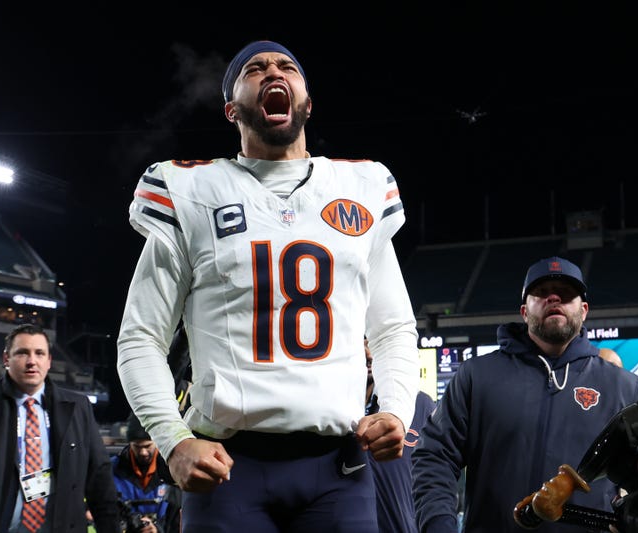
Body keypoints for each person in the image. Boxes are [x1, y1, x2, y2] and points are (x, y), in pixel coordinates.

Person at [117, 39, 420, 532]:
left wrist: (395, 410)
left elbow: (392, 329)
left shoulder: (361, 188)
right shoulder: (191, 190)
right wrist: (173, 440)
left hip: (338, 468)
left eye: (286, 67)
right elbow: (140, 337)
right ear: (231, 107)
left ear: (307, 101)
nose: (272, 71)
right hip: (228, 466)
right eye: (254, 68)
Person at [411, 256, 638, 533]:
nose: (554, 298)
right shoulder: (477, 376)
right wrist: (438, 526)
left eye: (566, 294)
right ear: (524, 311)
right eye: (541, 292)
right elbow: (434, 456)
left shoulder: (624, 387)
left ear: (584, 310)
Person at [0, 324, 120, 533]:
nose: (32, 361)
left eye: (39, 353)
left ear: (48, 361)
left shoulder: (78, 407)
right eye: (22, 353)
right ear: (6, 359)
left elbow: (100, 479)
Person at [364, 339, 435, 533]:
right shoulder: (331, 412)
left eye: (373, 344)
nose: (368, 354)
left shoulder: (420, 404)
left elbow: (438, 473)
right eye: (360, 344)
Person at [111, 413, 181, 533]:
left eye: (148, 446)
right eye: (137, 447)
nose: (143, 452)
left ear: (157, 441)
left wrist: (157, 530)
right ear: (129, 443)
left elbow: (177, 519)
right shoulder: (112, 469)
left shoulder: (172, 471)